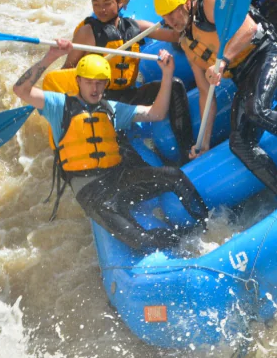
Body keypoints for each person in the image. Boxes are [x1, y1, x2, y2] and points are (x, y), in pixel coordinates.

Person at [13, 45, 208, 251]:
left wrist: (167, 74)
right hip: (93, 194)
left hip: (119, 179)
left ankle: (206, 226)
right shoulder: (58, 105)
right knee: (144, 242)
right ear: (78, 81)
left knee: (174, 176)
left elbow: (156, 113)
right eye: (89, 82)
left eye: (100, 83)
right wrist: (50, 57)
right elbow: (21, 90)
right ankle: (184, 247)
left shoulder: (110, 108)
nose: (95, 89)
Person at [154, 0, 277, 200]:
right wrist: (203, 142)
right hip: (247, 76)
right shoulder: (187, 42)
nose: (170, 21)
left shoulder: (209, 4)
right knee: (239, 143)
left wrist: (222, 60)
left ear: (186, 3)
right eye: (165, 17)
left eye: (172, 13)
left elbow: (248, 29)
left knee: (256, 109)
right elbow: (206, 93)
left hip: (271, 54)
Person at [43, 0, 194, 161]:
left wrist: (192, 7)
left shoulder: (136, 27)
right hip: (102, 100)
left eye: (107, 3)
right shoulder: (87, 33)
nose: (101, 9)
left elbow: (174, 35)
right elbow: (68, 70)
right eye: (96, 4)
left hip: (129, 95)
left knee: (176, 85)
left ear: (120, 2)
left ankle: (187, 149)